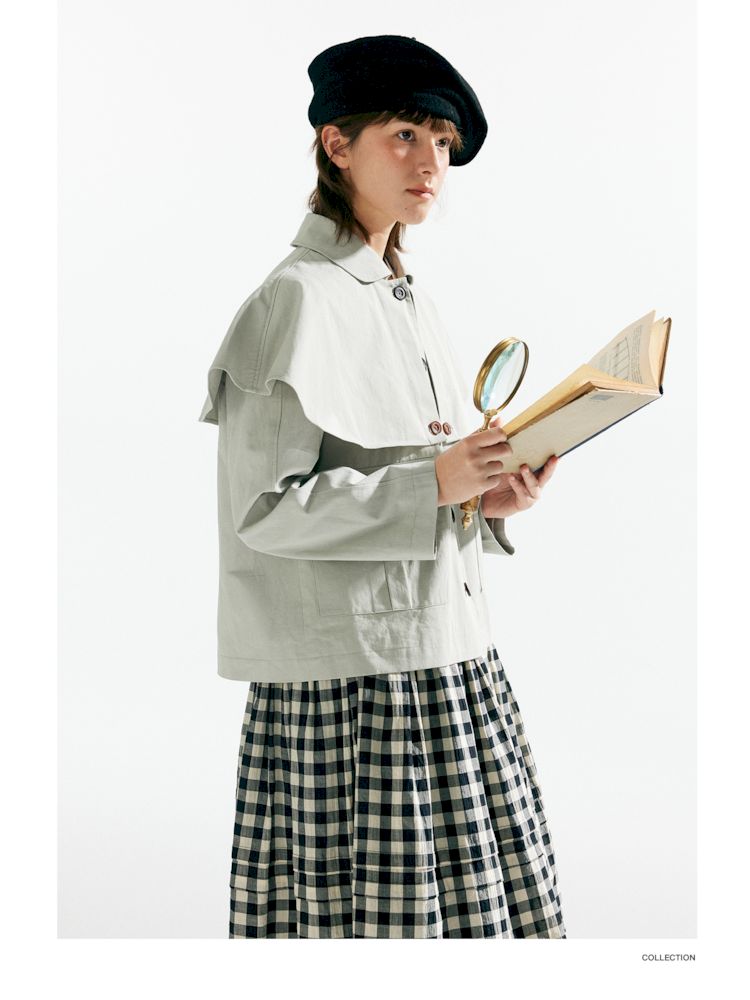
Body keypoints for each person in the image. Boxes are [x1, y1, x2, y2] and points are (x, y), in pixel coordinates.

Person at [198, 34, 564, 939]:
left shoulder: (407, 297)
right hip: (353, 690)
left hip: (451, 666)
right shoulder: (294, 300)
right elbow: (263, 514)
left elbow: (400, 480)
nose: (429, 163)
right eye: (403, 135)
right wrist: (436, 481)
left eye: (440, 142)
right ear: (337, 145)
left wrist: (482, 501)